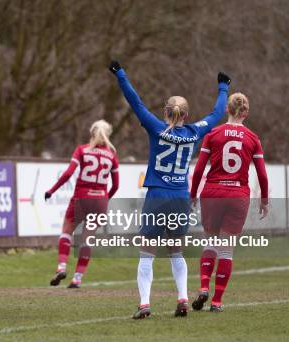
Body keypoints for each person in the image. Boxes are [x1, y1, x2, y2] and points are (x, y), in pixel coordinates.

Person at [109, 60, 230, 319]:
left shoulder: (155, 127)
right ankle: (183, 298)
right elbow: (216, 113)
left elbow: (135, 102)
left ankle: (144, 304)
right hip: (179, 197)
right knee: (176, 250)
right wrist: (223, 87)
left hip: (157, 195)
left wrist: (120, 74)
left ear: (166, 112)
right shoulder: (193, 132)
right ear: (185, 115)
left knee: (147, 252)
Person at [190, 92, 269, 312]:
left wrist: (193, 194)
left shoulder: (213, 133)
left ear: (227, 109)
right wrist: (264, 200)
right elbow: (262, 175)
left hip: (213, 192)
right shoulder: (253, 138)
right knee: (226, 249)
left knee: (209, 242)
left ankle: (204, 286)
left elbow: (198, 169)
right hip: (237, 195)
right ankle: (216, 302)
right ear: (246, 112)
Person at [45, 120, 120, 288]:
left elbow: (68, 173)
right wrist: (105, 199)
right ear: (107, 135)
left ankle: (61, 267)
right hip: (100, 200)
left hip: (81, 197)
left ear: (91, 133)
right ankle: (77, 278)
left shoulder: (82, 150)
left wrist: (51, 191)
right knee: (87, 239)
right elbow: (116, 185)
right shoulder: (112, 156)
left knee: (67, 231)